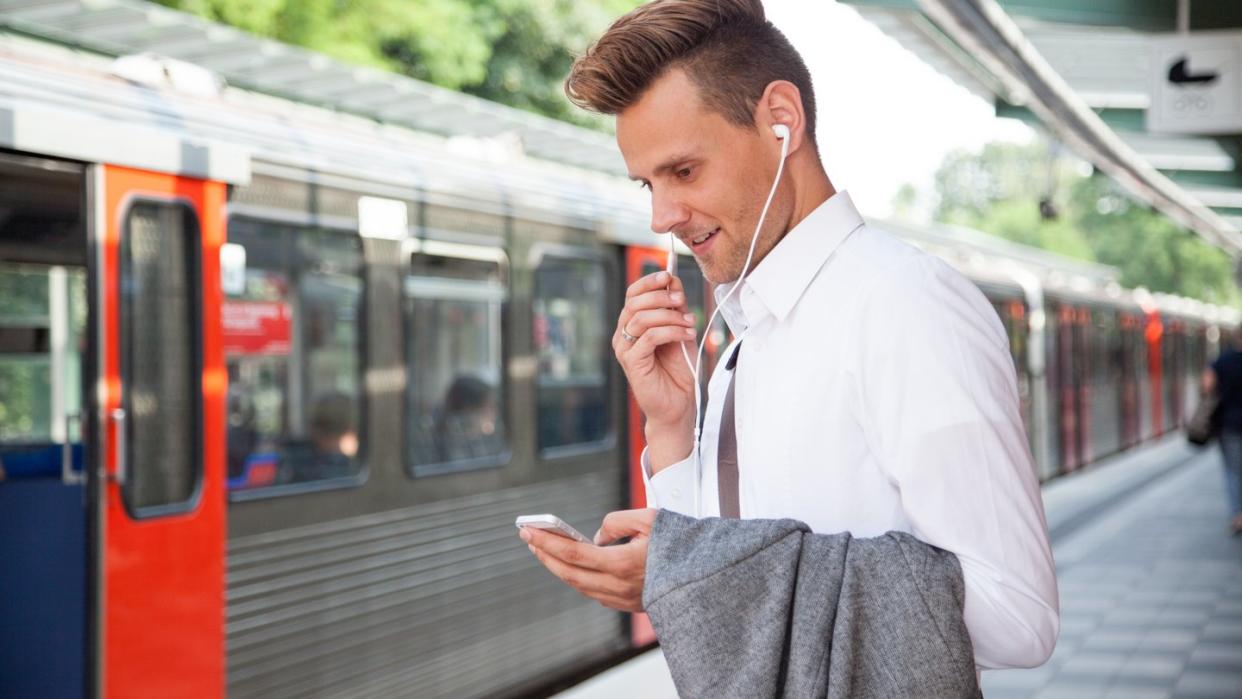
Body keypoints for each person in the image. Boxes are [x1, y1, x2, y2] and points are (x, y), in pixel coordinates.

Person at [518, 0, 1059, 672]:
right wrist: (672, 427)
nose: (662, 216)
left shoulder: (904, 305)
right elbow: (731, 581)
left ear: (781, 119)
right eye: (647, 184)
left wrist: (709, 571)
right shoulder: (745, 337)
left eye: (684, 171)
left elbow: (1018, 616)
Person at [1202, 328, 1242, 534]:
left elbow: (1207, 385)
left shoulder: (1223, 360)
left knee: (1233, 471)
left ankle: (1237, 515)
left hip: (1230, 425)